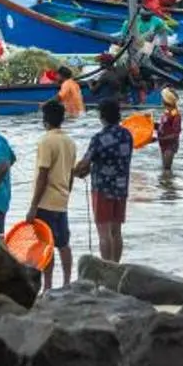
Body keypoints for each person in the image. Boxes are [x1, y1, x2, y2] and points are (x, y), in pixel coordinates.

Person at [70, 98, 135, 264]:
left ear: (102, 116)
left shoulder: (99, 138)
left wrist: (74, 173)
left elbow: (84, 163)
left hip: (102, 189)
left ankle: (107, 268)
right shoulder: (127, 135)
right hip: (121, 188)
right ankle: (116, 266)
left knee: (104, 233)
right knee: (116, 232)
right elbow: (116, 160)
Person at [27, 99, 76, 288]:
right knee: (63, 244)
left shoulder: (46, 141)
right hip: (61, 201)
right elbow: (70, 175)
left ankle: (47, 286)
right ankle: (66, 282)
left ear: (45, 120)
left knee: (45, 245)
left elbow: (43, 175)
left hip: (45, 202)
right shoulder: (70, 142)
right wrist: (66, 195)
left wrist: (33, 206)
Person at [153, 89, 182, 172]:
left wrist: (159, 139)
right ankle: (165, 184)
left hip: (171, 145)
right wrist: (151, 124)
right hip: (163, 143)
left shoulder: (176, 115)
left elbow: (175, 134)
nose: (161, 99)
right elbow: (162, 127)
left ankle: (168, 183)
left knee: (167, 168)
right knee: (164, 168)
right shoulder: (166, 113)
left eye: (163, 98)